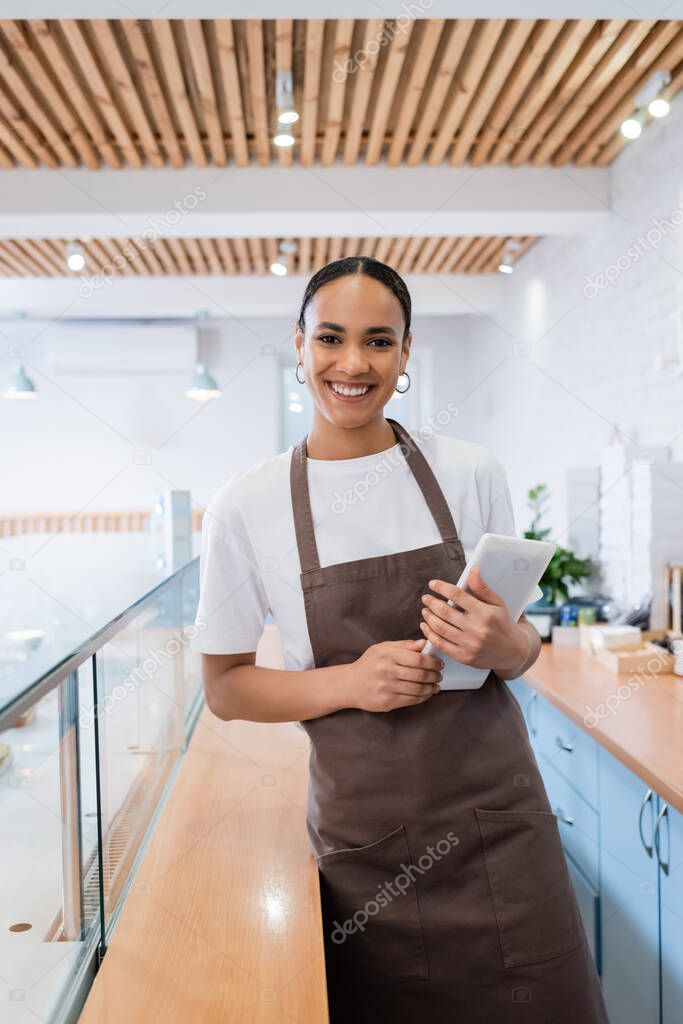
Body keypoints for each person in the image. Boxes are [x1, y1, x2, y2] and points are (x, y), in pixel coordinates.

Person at [191, 257, 609, 1023]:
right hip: (368, 858)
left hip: (502, 838)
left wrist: (502, 647)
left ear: (406, 353)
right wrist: (348, 683)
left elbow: (520, 654)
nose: (352, 365)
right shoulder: (245, 507)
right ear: (298, 345)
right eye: (330, 338)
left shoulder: (470, 474)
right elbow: (225, 687)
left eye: (378, 341)